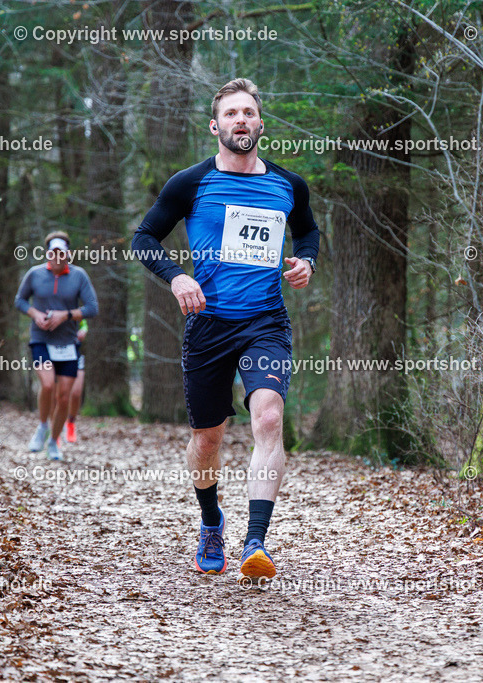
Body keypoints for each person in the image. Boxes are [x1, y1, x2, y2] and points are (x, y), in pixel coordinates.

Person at [132, 78, 319, 582]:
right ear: (215, 127)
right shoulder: (190, 183)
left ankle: (255, 542)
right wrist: (177, 277)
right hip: (208, 324)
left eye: (248, 113)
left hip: (265, 322)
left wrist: (306, 261)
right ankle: (211, 520)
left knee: (268, 419)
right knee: (207, 438)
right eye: (231, 113)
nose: (241, 120)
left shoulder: (289, 185)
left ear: (261, 124)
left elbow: (307, 230)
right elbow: (144, 237)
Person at [15, 231, 98, 461]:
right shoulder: (35, 274)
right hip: (41, 338)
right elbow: (19, 300)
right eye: (53, 253)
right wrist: (34, 314)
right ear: (47, 254)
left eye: (61, 253)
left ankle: (53, 441)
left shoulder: (79, 276)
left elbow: (92, 308)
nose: (57, 257)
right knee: (48, 384)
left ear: (68, 254)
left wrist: (66, 315)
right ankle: (42, 426)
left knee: (64, 397)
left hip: (67, 342)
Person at [65, 319, 88, 444]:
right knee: (57, 394)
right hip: (55, 354)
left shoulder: (76, 311)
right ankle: (54, 429)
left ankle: (71, 424)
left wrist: (83, 330)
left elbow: (84, 324)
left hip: (75, 354)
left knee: (76, 393)